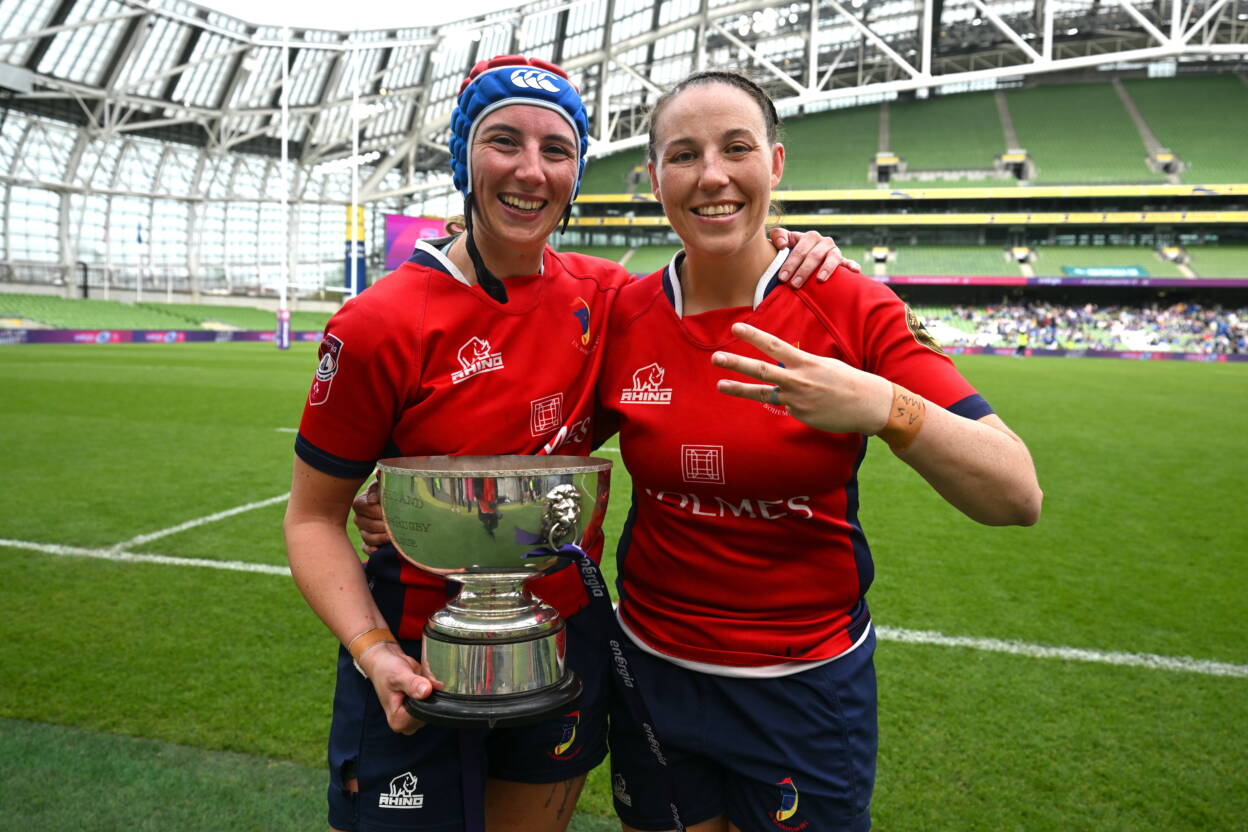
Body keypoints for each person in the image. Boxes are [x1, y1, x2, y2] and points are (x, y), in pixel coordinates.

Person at [284, 55, 855, 832]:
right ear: (462, 154)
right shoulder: (377, 324)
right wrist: (373, 648)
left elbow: (712, 282)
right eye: (503, 142)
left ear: (578, 170)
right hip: (419, 652)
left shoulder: (610, 301)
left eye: (557, 150)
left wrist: (795, 245)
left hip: (564, 646)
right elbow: (313, 518)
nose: (531, 170)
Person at [591, 70, 1043, 832]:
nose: (712, 176)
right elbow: (538, 435)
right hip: (653, 671)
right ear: (655, 177)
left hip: (802, 685)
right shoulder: (624, 313)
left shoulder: (850, 305)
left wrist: (881, 407)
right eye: (683, 154)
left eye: (736, 148)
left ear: (775, 163)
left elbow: (1016, 493)